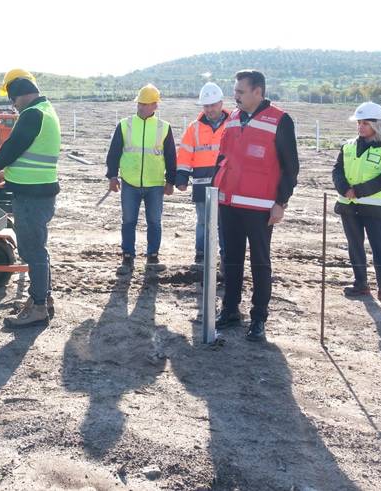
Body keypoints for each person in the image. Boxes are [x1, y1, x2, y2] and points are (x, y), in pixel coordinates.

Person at [213, 70, 299, 342]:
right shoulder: (234, 117)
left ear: (258, 92)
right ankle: (230, 310)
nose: (235, 95)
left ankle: (259, 318)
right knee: (231, 261)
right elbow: (223, 156)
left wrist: (280, 203)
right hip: (229, 203)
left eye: (240, 91)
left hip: (260, 207)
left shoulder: (280, 120)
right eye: (235, 90)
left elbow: (290, 167)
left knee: (260, 263)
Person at [0, 69, 61, 327]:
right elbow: (29, 153)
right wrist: (6, 172)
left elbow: (12, 147)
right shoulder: (46, 110)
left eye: (12, 99)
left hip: (32, 195)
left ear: (20, 95)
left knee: (32, 251)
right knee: (38, 249)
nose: (12, 105)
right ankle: (42, 299)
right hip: (39, 191)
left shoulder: (32, 114)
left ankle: (37, 307)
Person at [333, 101, 381, 305]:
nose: (360, 126)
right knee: (354, 246)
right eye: (359, 122)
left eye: (365, 123)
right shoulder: (348, 146)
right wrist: (345, 189)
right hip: (348, 205)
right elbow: (337, 170)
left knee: (380, 247)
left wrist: (360, 191)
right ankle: (360, 284)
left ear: (376, 124)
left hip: (376, 207)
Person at [105, 84, 177, 276]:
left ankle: (152, 256)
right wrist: (112, 175)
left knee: (154, 221)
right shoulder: (125, 124)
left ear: (155, 105)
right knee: (128, 221)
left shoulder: (164, 128)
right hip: (129, 182)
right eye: (139, 104)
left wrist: (170, 181)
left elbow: (171, 156)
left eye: (145, 104)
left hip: (155, 184)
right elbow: (114, 153)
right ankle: (128, 257)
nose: (141, 107)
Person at [175, 82, 230, 265]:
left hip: (227, 184)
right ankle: (201, 254)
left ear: (221, 103)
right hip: (201, 183)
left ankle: (225, 256)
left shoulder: (233, 124)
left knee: (225, 224)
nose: (209, 109)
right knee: (203, 222)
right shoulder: (194, 128)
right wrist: (181, 177)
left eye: (213, 105)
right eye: (206, 106)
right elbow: (184, 154)